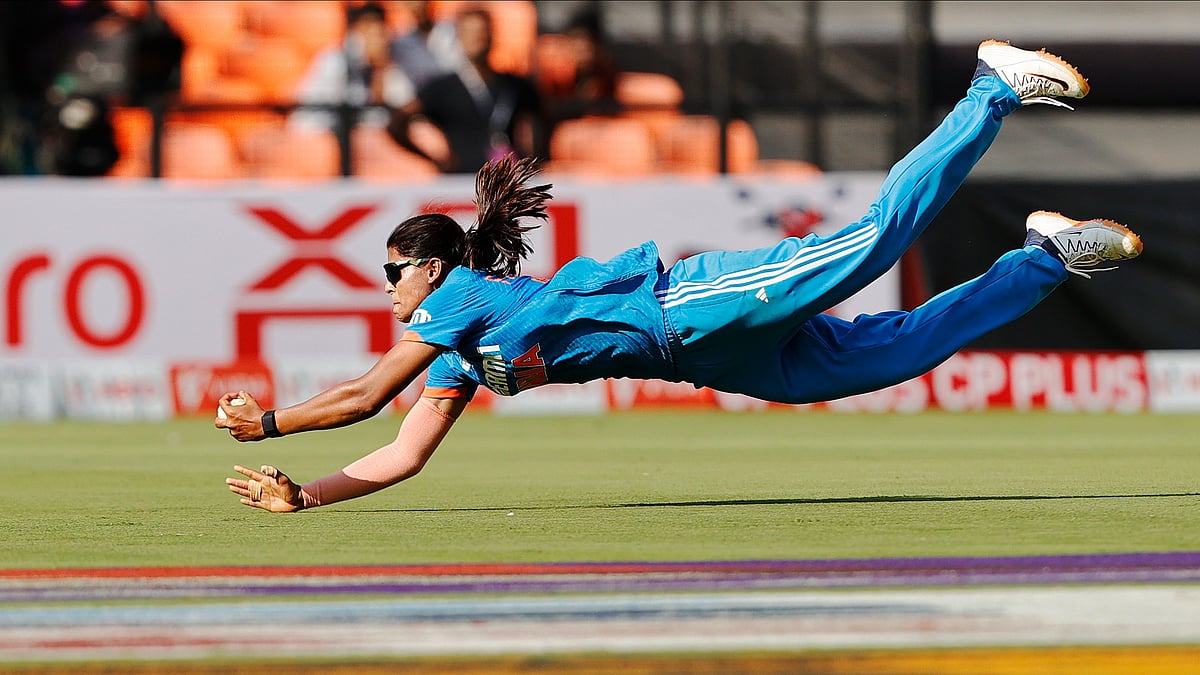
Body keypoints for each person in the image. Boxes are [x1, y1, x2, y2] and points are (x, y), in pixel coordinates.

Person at [219, 40, 1144, 513]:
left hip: (684, 304)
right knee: (891, 356)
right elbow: (402, 453)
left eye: (391, 272)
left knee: (869, 245)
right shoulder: (459, 355)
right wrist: (305, 494)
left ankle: (989, 85)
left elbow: (366, 397)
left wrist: (267, 423)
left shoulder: (457, 297)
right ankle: (1042, 258)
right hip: (710, 359)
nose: (387, 291)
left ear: (430, 264)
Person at [385, 7, 540, 174]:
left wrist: (533, 157)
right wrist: (434, 160)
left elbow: (541, 115)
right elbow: (397, 122)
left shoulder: (513, 85)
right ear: (459, 38)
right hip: (462, 183)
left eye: (482, 32)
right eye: (470, 33)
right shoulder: (443, 87)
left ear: (491, 35)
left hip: (506, 181)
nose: (478, 38)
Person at [289, 2, 406, 132]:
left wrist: (380, 71)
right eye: (373, 32)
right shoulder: (334, 59)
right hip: (316, 134)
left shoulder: (383, 66)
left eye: (381, 33)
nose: (380, 40)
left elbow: (382, 116)